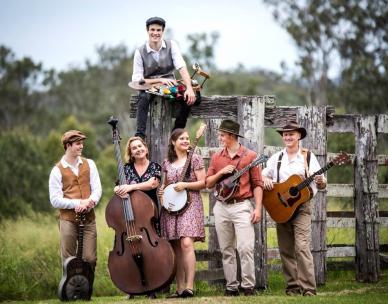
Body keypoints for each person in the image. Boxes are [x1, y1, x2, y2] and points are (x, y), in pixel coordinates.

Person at [261, 121, 327, 296]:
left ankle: (309, 289)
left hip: (302, 208)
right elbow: (262, 175)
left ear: (299, 136)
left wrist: (321, 182)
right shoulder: (277, 158)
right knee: (286, 249)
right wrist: (265, 180)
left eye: (291, 134)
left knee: (302, 248)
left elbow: (321, 182)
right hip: (281, 207)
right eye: (285, 134)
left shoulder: (308, 157)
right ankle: (292, 287)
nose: (288, 137)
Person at [205, 119, 263, 296]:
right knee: (226, 249)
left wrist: (258, 208)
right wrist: (222, 173)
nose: (220, 137)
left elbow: (258, 184)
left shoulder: (250, 156)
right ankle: (231, 287)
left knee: (245, 247)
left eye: (222, 135)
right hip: (221, 207)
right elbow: (208, 183)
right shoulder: (216, 156)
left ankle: (248, 286)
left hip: (242, 206)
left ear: (232, 136)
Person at [158, 128, 206, 298]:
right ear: (173, 142)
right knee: (176, 247)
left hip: (191, 204)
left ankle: (189, 287)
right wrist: (162, 192)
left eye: (187, 138)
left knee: (186, 243)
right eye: (181, 139)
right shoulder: (166, 163)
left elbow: (203, 183)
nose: (186, 141)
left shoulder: (195, 159)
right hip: (172, 207)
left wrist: (186, 185)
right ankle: (179, 289)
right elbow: (165, 185)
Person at [131, 16, 196, 139]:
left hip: (169, 85)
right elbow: (137, 80)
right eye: (152, 30)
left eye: (158, 30)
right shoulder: (139, 52)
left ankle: (177, 134)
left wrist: (189, 88)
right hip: (149, 87)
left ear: (163, 31)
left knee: (190, 98)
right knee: (143, 98)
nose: (155, 33)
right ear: (147, 30)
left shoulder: (172, 45)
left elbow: (181, 67)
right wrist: (160, 80)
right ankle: (140, 136)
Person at [113, 136, 161, 299]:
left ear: (146, 149)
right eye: (134, 148)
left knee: (151, 253)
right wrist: (118, 189)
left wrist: (130, 186)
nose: (138, 149)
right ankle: (131, 288)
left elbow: (152, 184)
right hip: (129, 218)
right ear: (131, 153)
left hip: (149, 218)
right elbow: (118, 185)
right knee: (129, 253)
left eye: (140, 146)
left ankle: (152, 287)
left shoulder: (155, 167)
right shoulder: (126, 169)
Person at [49, 130, 102, 272]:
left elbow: (97, 189)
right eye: (78, 144)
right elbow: (54, 200)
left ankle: (86, 291)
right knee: (69, 261)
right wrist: (77, 203)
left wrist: (90, 202)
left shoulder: (90, 164)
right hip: (68, 220)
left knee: (90, 259)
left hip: (89, 218)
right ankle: (71, 292)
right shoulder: (57, 170)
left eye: (82, 143)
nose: (81, 146)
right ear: (68, 145)